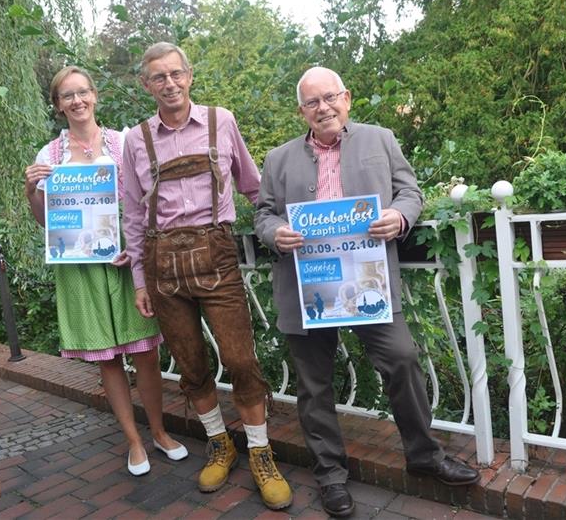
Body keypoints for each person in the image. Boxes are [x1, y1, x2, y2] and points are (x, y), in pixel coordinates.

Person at [255, 67, 481, 517]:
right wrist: (274, 231)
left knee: (400, 358)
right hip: (308, 286)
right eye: (313, 102)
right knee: (314, 385)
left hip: (368, 280)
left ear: (347, 99)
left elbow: (409, 191)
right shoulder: (278, 159)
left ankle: (424, 455)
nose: (324, 108)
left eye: (331, 97)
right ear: (302, 111)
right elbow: (262, 213)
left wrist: (399, 216)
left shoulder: (380, 138)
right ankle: (331, 476)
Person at [121, 42, 292, 510]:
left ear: (190, 75)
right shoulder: (135, 140)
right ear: (146, 85)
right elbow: (134, 217)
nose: (169, 84)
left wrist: (282, 230)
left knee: (240, 360)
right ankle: (220, 444)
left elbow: (255, 189)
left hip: (217, 258)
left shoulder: (222, 121)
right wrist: (139, 279)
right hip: (162, 268)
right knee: (192, 367)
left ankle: (260, 451)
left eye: (176, 74)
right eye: (159, 77)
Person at [24, 66, 188, 478]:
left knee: (146, 353)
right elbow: (47, 223)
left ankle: (159, 431)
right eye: (67, 96)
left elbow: (148, 200)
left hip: (126, 261)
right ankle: (133, 440)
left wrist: (138, 250)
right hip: (79, 267)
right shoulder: (50, 156)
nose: (76, 101)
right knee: (109, 360)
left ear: (95, 95)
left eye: (82, 92)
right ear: (58, 105)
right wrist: (31, 190)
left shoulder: (125, 141)